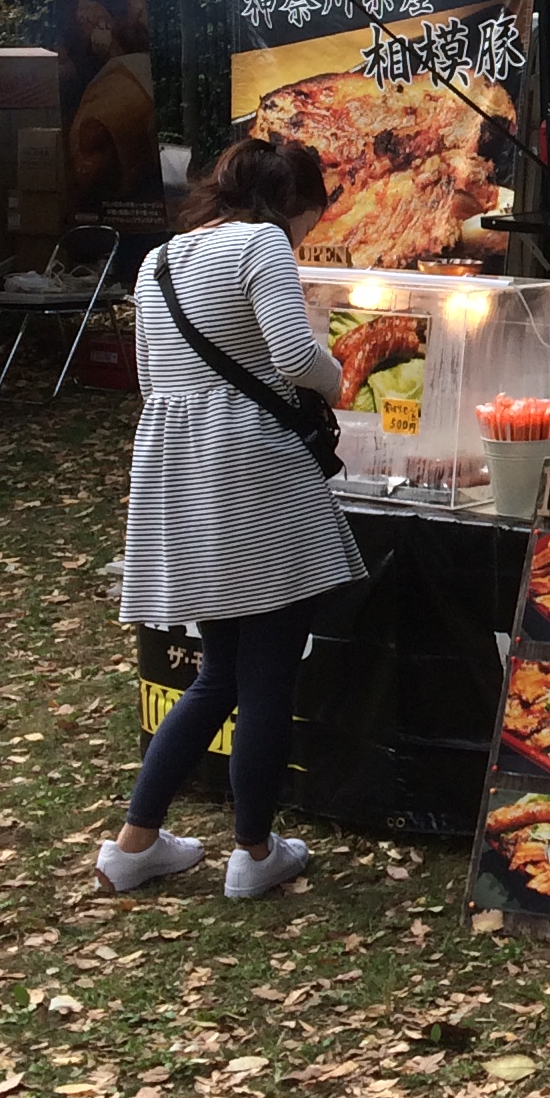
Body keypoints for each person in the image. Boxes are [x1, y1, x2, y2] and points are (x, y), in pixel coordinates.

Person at [101, 136, 364, 902]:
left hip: (180, 472)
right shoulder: (262, 243)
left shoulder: (159, 260)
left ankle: (134, 844)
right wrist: (340, 378)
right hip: (254, 471)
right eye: (311, 220)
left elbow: (153, 378)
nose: (306, 235)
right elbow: (294, 356)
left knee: (219, 671)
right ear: (292, 204)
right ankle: (253, 852)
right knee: (269, 670)